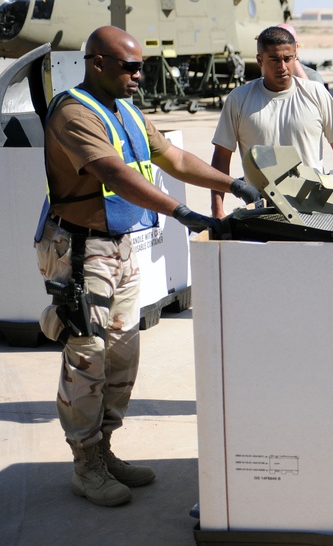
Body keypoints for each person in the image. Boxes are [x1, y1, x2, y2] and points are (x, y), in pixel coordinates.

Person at [35, 25, 261, 507]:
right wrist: (181, 212)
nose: (141, 74)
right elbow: (113, 173)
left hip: (119, 247)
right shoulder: (75, 112)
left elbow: (174, 157)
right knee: (87, 356)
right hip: (79, 251)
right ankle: (85, 463)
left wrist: (231, 183)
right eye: (130, 66)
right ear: (97, 64)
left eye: (142, 65)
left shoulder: (128, 112)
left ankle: (104, 448)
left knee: (121, 353)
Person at [210, 25, 333, 218]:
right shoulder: (239, 99)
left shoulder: (316, 93)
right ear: (259, 60)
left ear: (295, 57)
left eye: (288, 59)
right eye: (274, 60)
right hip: (262, 210)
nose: (282, 67)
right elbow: (221, 156)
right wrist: (217, 210)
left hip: (313, 208)